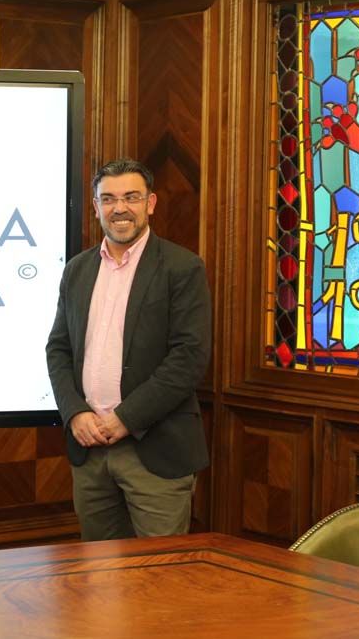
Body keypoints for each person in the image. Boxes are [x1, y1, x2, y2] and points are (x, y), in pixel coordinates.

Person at [45, 158, 211, 541]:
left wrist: (124, 418)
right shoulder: (78, 270)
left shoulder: (182, 268)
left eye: (131, 197)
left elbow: (188, 359)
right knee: (98, 580)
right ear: (96, 206)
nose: (119, 208)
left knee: (157, 581)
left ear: (150, 203)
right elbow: (58, 349)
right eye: (109, 199)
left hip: (154, 451)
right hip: (89, 450)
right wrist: (74, 414)